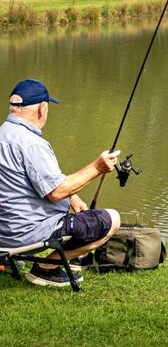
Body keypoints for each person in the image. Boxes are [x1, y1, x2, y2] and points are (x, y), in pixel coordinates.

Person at [0, 78, 121, 288]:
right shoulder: (31, 143)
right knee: (111, 219)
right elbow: (56, 192)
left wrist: (72, 197)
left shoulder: (5, 134)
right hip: (23, 235)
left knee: (77, 213)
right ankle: (46, 269)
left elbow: (29, 180)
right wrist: (98, 167)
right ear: (42, 109)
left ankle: (64, 260)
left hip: (3, 232)